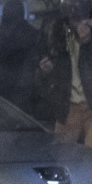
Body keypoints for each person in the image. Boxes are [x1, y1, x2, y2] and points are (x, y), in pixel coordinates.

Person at [37, 1, 92, 145]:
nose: (79, 24)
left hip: (90, 106)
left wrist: (88, 42)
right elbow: (54, 74)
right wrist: (48, 70)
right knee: (62, 155)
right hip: (68, 106)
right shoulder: (60, 39)